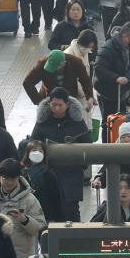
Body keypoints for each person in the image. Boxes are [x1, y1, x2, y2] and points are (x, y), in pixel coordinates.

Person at [30, 88, 91, 222]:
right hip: (47, 174)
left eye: (60, 105)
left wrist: (81, 165)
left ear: (67, 104)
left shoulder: (77, 122)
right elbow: (33, 144)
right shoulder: (43, 121)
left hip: (71, 173)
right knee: (48, 210)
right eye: (53, 104)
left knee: (70, 210)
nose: (56, 108)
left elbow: (88, 145)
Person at [0, 158, 46, 258]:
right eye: (6, 178)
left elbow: (41, 229)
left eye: (13, 178)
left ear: (19, 177)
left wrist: (25, 220)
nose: (9, 182)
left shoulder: (30, 200)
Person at [94, 21, 130, 142]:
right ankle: (108, 146)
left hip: (123, 91)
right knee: (108, 122)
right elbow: (99, 69)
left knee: (123, 119)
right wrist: (116, 77)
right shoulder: (108, 48)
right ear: (125, 36)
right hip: (108, 92)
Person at [23, 49, 93, 108]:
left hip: (69, 98)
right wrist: (39, 101)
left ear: (63, 63)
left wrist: (89, 97)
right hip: (48, 99)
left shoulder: (75, 63)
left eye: (54, 67)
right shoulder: (42, 63)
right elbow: (27, 82)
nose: (51, 69)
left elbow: (85, 81)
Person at [21, 141, 65, 222]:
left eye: (40, 151)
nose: (37, 153)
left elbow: (57, 197)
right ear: (28, 152)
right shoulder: (22, 172)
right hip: (25, 215)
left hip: (46, 216)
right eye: (34, 150)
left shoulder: (48, 173)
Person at [63, 29, 98, 128]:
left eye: (91, 48)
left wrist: (90, 95)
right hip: (75, 98)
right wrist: (88, 95)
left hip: (83, 98)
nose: (89, 50)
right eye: (87, 47)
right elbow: (72, 81)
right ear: (79, 43)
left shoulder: (83, 52)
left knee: (86, 125)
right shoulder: (69, 55)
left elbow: (85, 76)